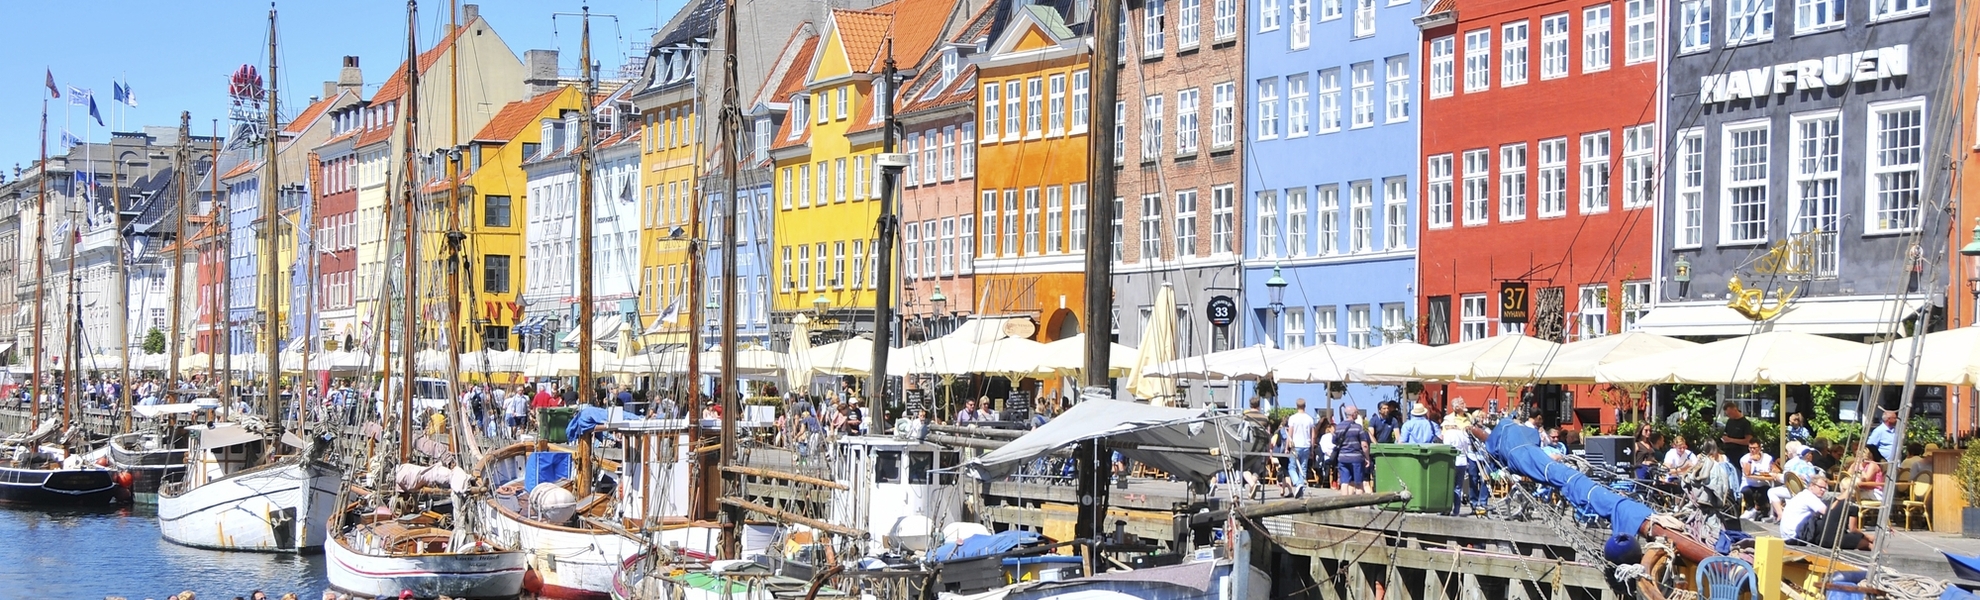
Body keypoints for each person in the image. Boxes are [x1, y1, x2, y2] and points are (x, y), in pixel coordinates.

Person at [1334, 405, 1373, 494]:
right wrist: (1367, 458)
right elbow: (1364, 445)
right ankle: (1357, 506)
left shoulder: (1338, 426)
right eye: (1357, 412)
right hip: (1356, 458)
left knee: (1344, 482)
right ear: (1354, 414)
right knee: (1358, 483)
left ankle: (1344, 503)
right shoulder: (1358, 427)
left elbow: (1334, 441)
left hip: (1342, 457)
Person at [1739, 440, 1778, 520]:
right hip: (1749, 483)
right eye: (1750, 448)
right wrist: (1750, 460)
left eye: (1754, 448)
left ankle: (1757, 510)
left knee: (1766, 491)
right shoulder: (1745, 458)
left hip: (1763, 483)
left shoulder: (1767, 458)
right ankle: (1751, 509)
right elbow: (1747, 473)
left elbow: (1775, 469)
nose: (1752, 450)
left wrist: (1773, 470)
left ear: (1760, 448)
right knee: (1746, 491)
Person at [1285, 399, 1316, 497]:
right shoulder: (1310, 419)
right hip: (1306, 445)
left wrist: (1287, 448)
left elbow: (1290, 434)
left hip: (1295, 445)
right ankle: (1301, 489)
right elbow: (1313, 436)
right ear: (1305, 406)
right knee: (1303, 468)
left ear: (1296, 406)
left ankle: (1298, 483)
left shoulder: (1293, 418)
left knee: (1291, 467)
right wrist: (1312, 449)